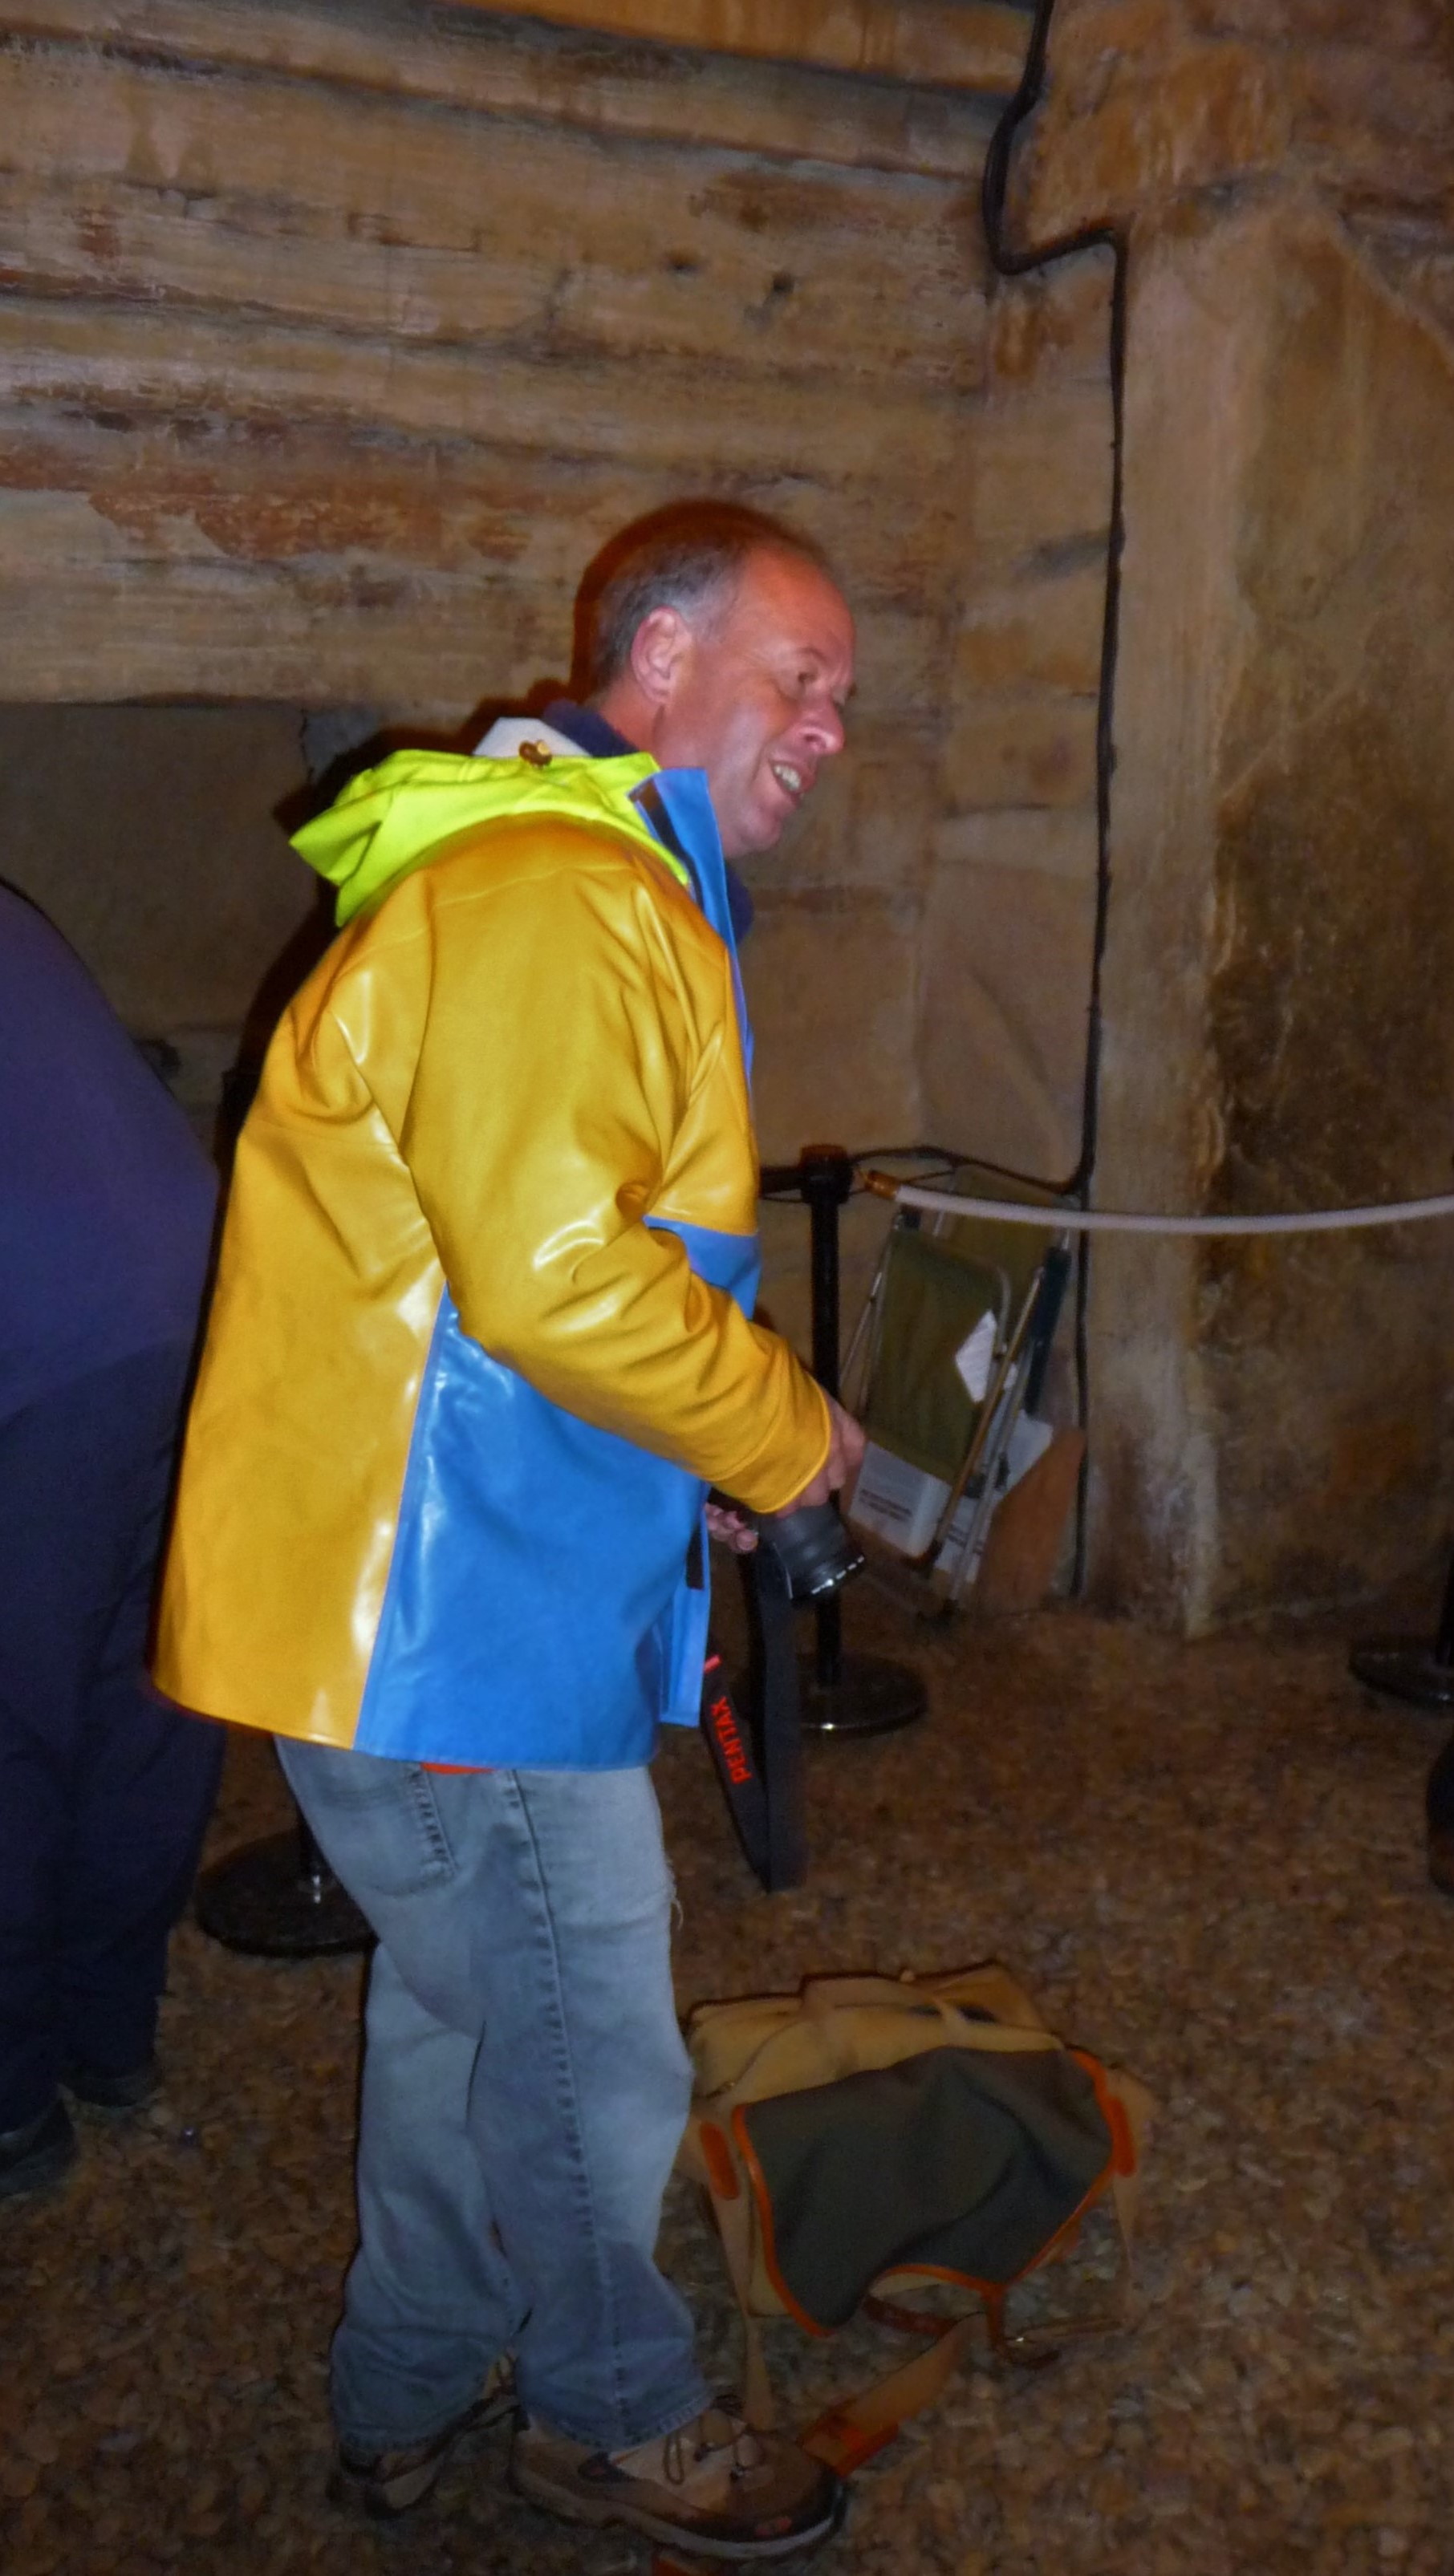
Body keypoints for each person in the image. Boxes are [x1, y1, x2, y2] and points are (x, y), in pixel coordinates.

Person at [155, 501, 863, 2559]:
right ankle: (613, 2414)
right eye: (801, 676)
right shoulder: (564, 886)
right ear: (662, 658)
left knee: (472, 2007)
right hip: (446, 1611)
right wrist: (781, 1433)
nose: (832, 726)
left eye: (847, 697)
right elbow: (557, 1279)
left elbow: (525, 1280)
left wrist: (688, 1471)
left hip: (448, 1577)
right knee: (581, 2024)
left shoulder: (558, 872)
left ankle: (403, 2387)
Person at [0, 886, 222, 2199]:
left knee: (14, 1726)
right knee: (146, 1694)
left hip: (48, 1340)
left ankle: (12, 2101)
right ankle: (110, 2037)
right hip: (194, 1299)